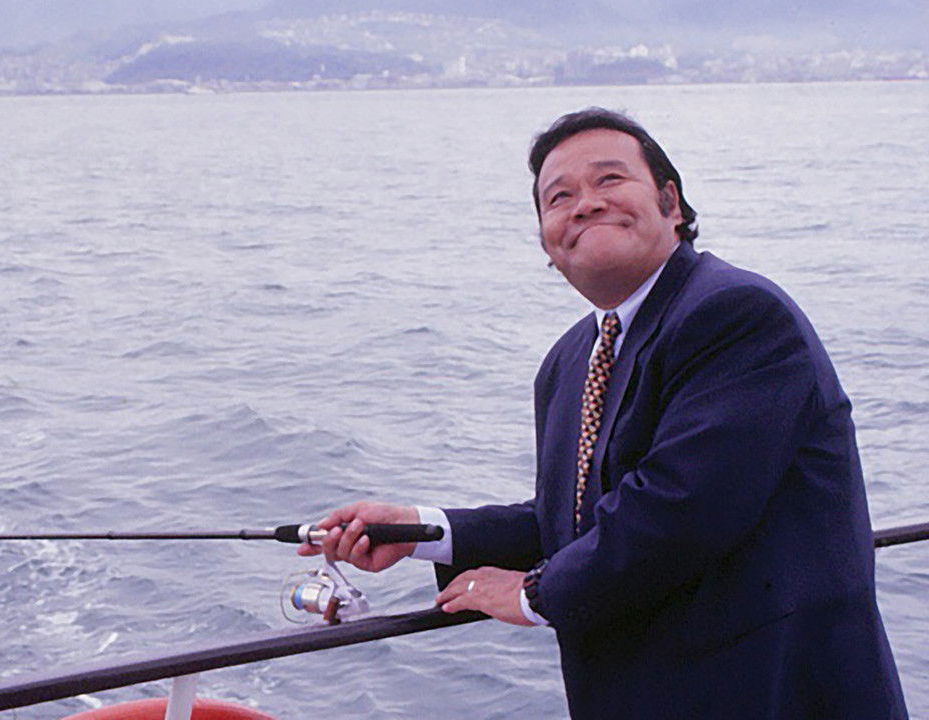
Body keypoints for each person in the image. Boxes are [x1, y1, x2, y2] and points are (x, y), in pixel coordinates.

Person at [300, 108, 907, 718]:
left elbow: (680, 509)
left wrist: (533, 594)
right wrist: (419, 531)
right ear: (547, 241)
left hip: (772, 694)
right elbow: (571, 521)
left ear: (671, 203)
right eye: (559, 197)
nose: (585, 204)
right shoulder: (568, 361)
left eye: (609, 179)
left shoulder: (738, 314)